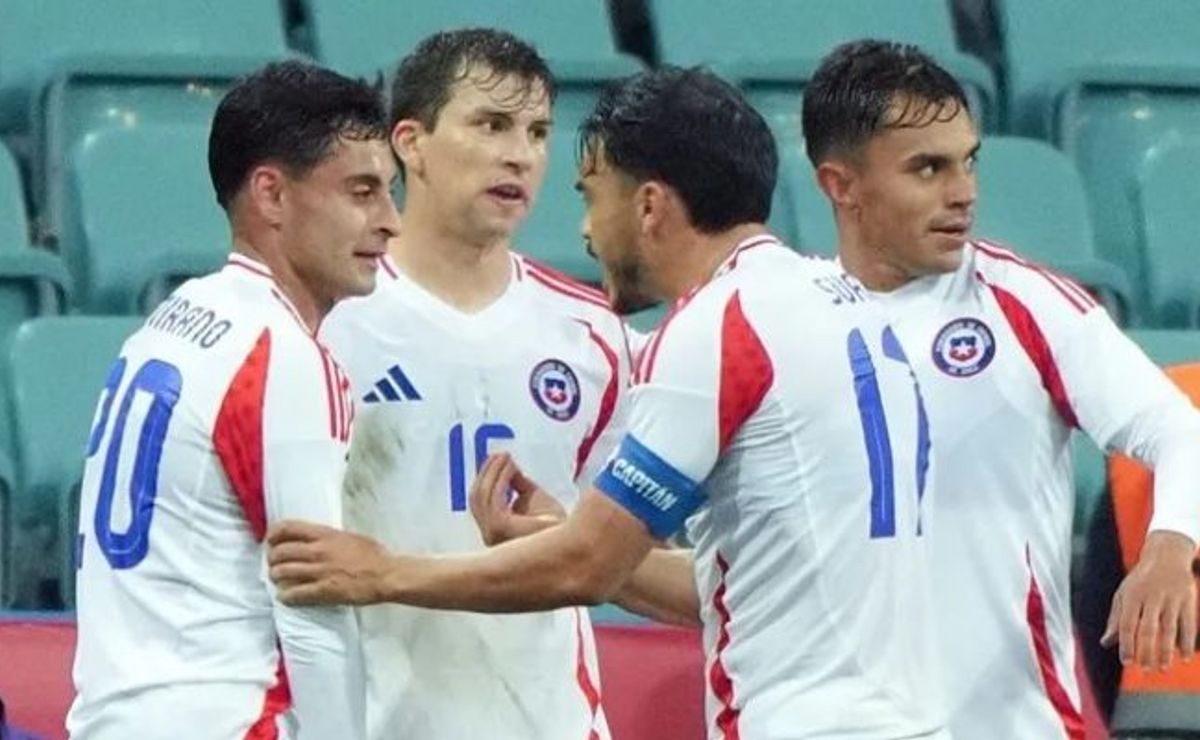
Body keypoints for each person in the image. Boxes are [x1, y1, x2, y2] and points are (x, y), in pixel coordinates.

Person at [270, 66, 951, 740]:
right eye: (493, 125)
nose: (587, 231)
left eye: (592, 197)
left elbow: (587, 565)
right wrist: (565, 537)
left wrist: (383, 572)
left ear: (648, 207)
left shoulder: (713, 330)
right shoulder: (859, 310)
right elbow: (715, 584)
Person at [800, 39, 1200, 740]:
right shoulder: (779, 320)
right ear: (841, 185)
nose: (964, 192)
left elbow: (1178, 430)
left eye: (969, 162)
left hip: (1010, 723)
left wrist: (1171, 544)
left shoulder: (1029, 307)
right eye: (928, 168)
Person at [68, 60, 400, 739]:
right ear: (271, 194)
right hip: (225, 717)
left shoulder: (170, 321)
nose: (390, 222)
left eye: (389, 192)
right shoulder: (283, 354)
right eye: (362, 191)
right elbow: (314, 606)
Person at [317, 29, 631, 740]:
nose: (520, 154)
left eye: (537, 132)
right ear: (410, 143)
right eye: (490, 125)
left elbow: (619, 555)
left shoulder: (595, 336)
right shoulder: (331, 323)